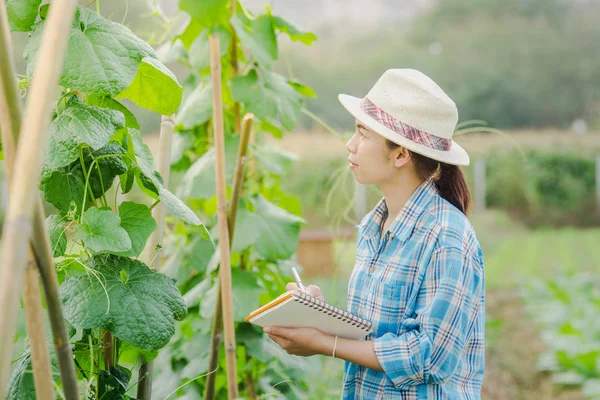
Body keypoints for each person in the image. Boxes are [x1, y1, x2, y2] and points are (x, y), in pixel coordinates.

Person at [264, 69, 485, 399]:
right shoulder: (374, 225)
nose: (350, 144)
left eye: (363, 134)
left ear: (400, 154)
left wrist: (325, 344)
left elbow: (428, 358)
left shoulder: (447, 237)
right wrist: (320, 319)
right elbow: (380, 333)